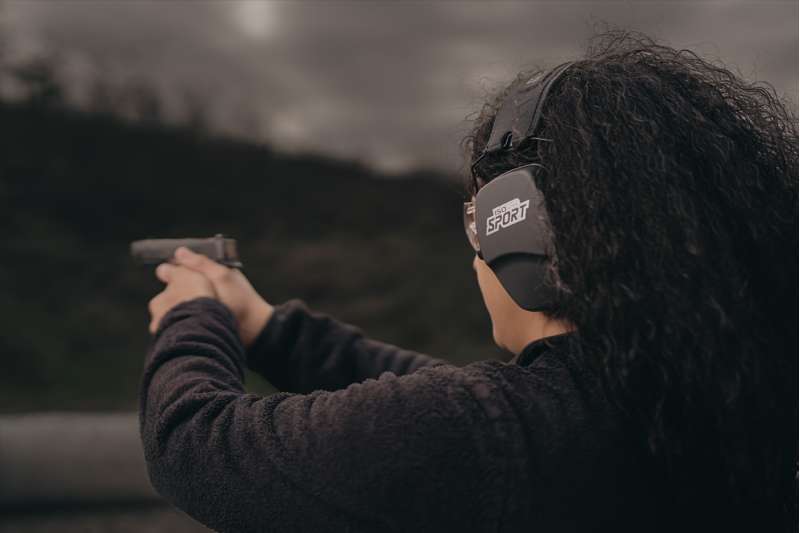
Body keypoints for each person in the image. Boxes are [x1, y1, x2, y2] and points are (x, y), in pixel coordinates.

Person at [140, 31, 797, 533]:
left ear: (523, 230)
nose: (476, 254)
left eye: (478, 221)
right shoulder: (714, 399)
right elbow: (456, 402)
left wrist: (192, 313)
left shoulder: (501, 436)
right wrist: (269, 329)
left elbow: (194, 445)